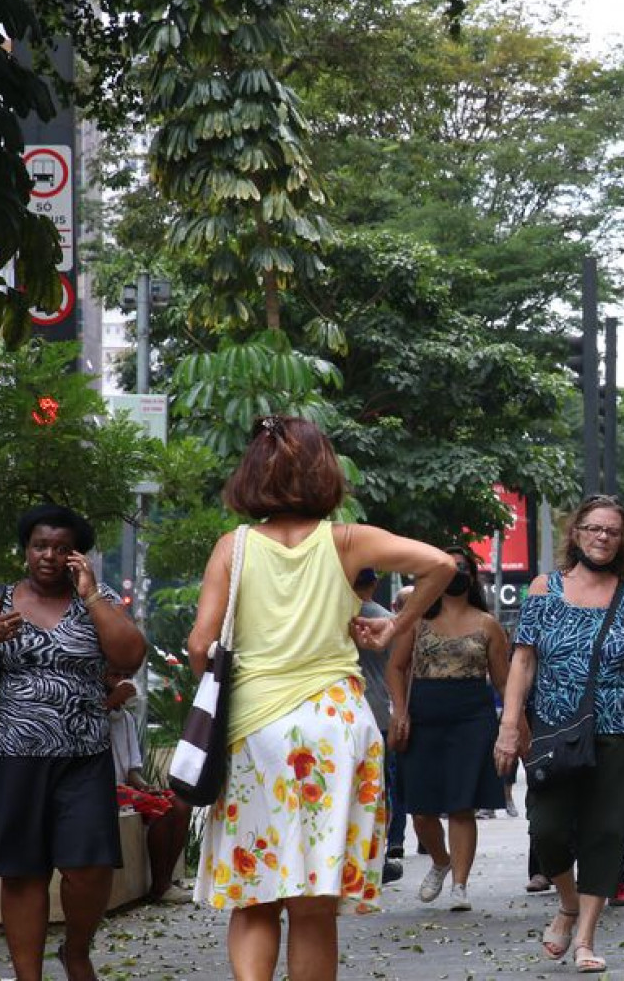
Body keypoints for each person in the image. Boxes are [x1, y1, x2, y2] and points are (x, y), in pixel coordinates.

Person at [187, 416, 457, 981]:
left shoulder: (232, 548)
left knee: (256, 894)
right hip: (335, 725)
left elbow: (198, 646)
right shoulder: (348, 540)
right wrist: (396, 624)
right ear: (324, 472)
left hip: (256, 730)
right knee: (312, 905)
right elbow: (441, 564)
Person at [0, 503, 146, 981]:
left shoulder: (98, 598)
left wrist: (90, 595)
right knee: (24, 873)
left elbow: (131, 654)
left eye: (61, 548)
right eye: (39, 545)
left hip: (83, 757)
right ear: (26, 550)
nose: (48, 555)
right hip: (9, 759)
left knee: (90, 868)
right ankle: (29, 976)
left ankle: (77, 951)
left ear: (76, 557)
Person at [495, 495, 624, 975]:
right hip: (554, 729)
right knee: (548, 828)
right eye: (593, 529)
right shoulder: (543, 590)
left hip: (619, 731)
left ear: (622, 541)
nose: (602, 537)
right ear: (576, 534)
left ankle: (586, 938)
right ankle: (568, 903)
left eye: (611, 532)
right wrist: (510, 725)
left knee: (607, 831)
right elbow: (523, 659)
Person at [387, 547, 509, 912]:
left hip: (472, 717)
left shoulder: (488, 624)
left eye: (462, 569)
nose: (455, 574)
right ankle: (441, 860)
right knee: (420, 810)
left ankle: (460, 885)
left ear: (472, 577)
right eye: (449, 568)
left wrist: (515, 724)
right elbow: (396, 667)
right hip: (424, 714)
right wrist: (401, 712)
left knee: (461, 805)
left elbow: (503, 681)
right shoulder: (418, 619)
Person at [106, 674, 195, 903]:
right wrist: (111, 700)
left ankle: (166, 878)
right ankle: (160, 886)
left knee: (181, 803)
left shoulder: (126, 719)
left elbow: (132, 770)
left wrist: (147, 787)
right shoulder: (94, 714)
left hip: (123, 787)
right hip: (101, 788)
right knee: (161, 808)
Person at [350, 569, 406, 885]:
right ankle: (379, 856)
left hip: (340, 711)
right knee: (380, 787)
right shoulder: (387, 620)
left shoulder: (336, 616)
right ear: (374, 584)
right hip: (378, 713)